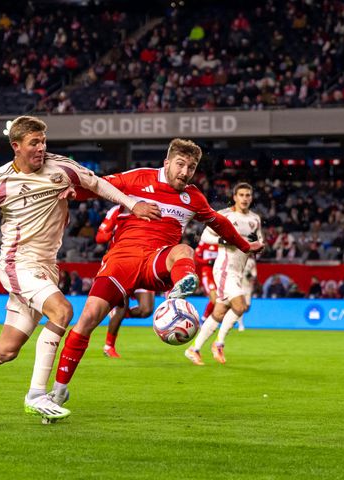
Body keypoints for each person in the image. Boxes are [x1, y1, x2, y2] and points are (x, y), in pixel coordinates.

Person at [0, 115, 160, 420]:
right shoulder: (1, 181)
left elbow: (98, 184)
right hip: (17, 264)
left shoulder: (61, 167)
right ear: (16, 146)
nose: (41, 148)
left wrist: (131, 204)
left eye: (43, 141)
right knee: (62, 311)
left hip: (46, 266)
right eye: (35, 142)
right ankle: (36, 395)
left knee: (7, 350)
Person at [50, 140, 265, 414]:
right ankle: (59, 389)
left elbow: (218, 222)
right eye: (180, 164)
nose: (185, 172)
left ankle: (180, 289)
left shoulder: (193, 197)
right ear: (167, 163)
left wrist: (246, 246)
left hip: (158, 261)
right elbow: (97, 185)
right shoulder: (139, 178)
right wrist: (74, 192)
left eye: (191, 167)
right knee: (89, 318)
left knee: (184, 249)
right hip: (121, 262)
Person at [185, 182, 263, 365]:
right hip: (225, 269)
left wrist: (259, 246)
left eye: (248, 195)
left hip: (240, 269)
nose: (245, 198)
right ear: (235, 197)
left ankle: (193, 349)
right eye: (241, 195)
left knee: (219, 312)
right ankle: (218, 344)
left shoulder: (255, 219)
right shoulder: (224, 215)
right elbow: (205, 236)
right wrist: (224, 240)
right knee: (241, 306)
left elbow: (258, 241)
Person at [96, 205, 154, 358]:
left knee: (146, 310)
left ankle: (119, 313)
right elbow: (100, 237)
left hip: (145, 261)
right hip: (122, 262)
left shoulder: (152, 206)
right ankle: (109, 346)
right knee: (123, 305)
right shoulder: (117, 210)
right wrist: (110, 233)